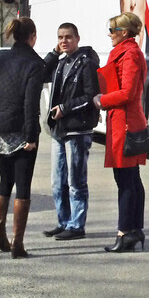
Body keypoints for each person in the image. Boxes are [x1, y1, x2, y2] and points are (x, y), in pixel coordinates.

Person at [0, 17, 44, 259]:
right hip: (22, 129)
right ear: (33, 37)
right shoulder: (34, 64)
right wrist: (30, 136)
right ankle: (17, 243)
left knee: (4, 181)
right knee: (23, 185)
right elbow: (30, 103)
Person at [93, 11, 148, 253]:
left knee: (126, 180)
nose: (110, 35)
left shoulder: (130, 54)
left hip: (124, 123)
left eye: (112, 30)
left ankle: (126, 231)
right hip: (125, 121)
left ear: (123, 33)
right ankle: (134, 230)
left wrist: (101, 100)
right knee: (131, 179)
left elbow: (127, 92)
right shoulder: (129, 52)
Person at [41, 23, 100, 241]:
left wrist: (65, 109)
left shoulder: (86, 64)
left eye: (68, 37)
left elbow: (90, 96)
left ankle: (77, 225)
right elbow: (39, 74)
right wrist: (53, 53)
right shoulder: (60, 62)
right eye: (60, 38)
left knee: (76, 181)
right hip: (59, 131)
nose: (64, 41)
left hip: (77, 129)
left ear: (77, 38)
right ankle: (63, 221)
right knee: (58, 182)